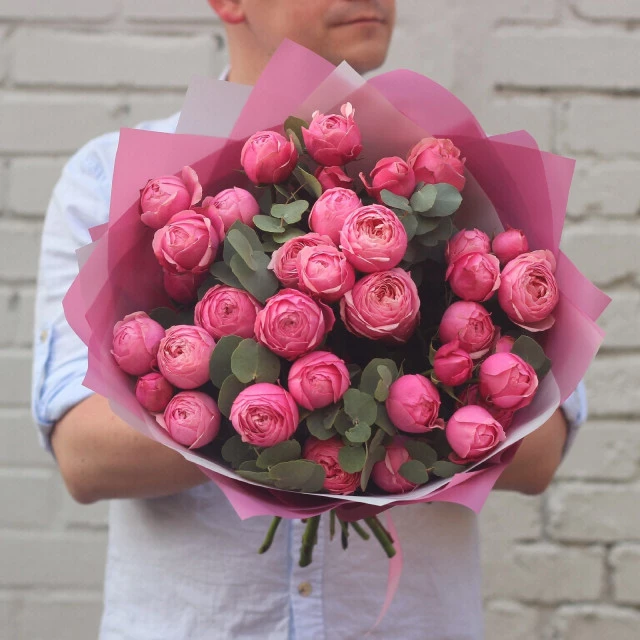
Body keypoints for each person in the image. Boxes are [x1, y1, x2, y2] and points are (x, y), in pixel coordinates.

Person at [31, 1, 587, 638]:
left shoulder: (450, 179)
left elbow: (538, 452)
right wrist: (301, 407)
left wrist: (360, 387)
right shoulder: (111, 178)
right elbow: (86, 454)